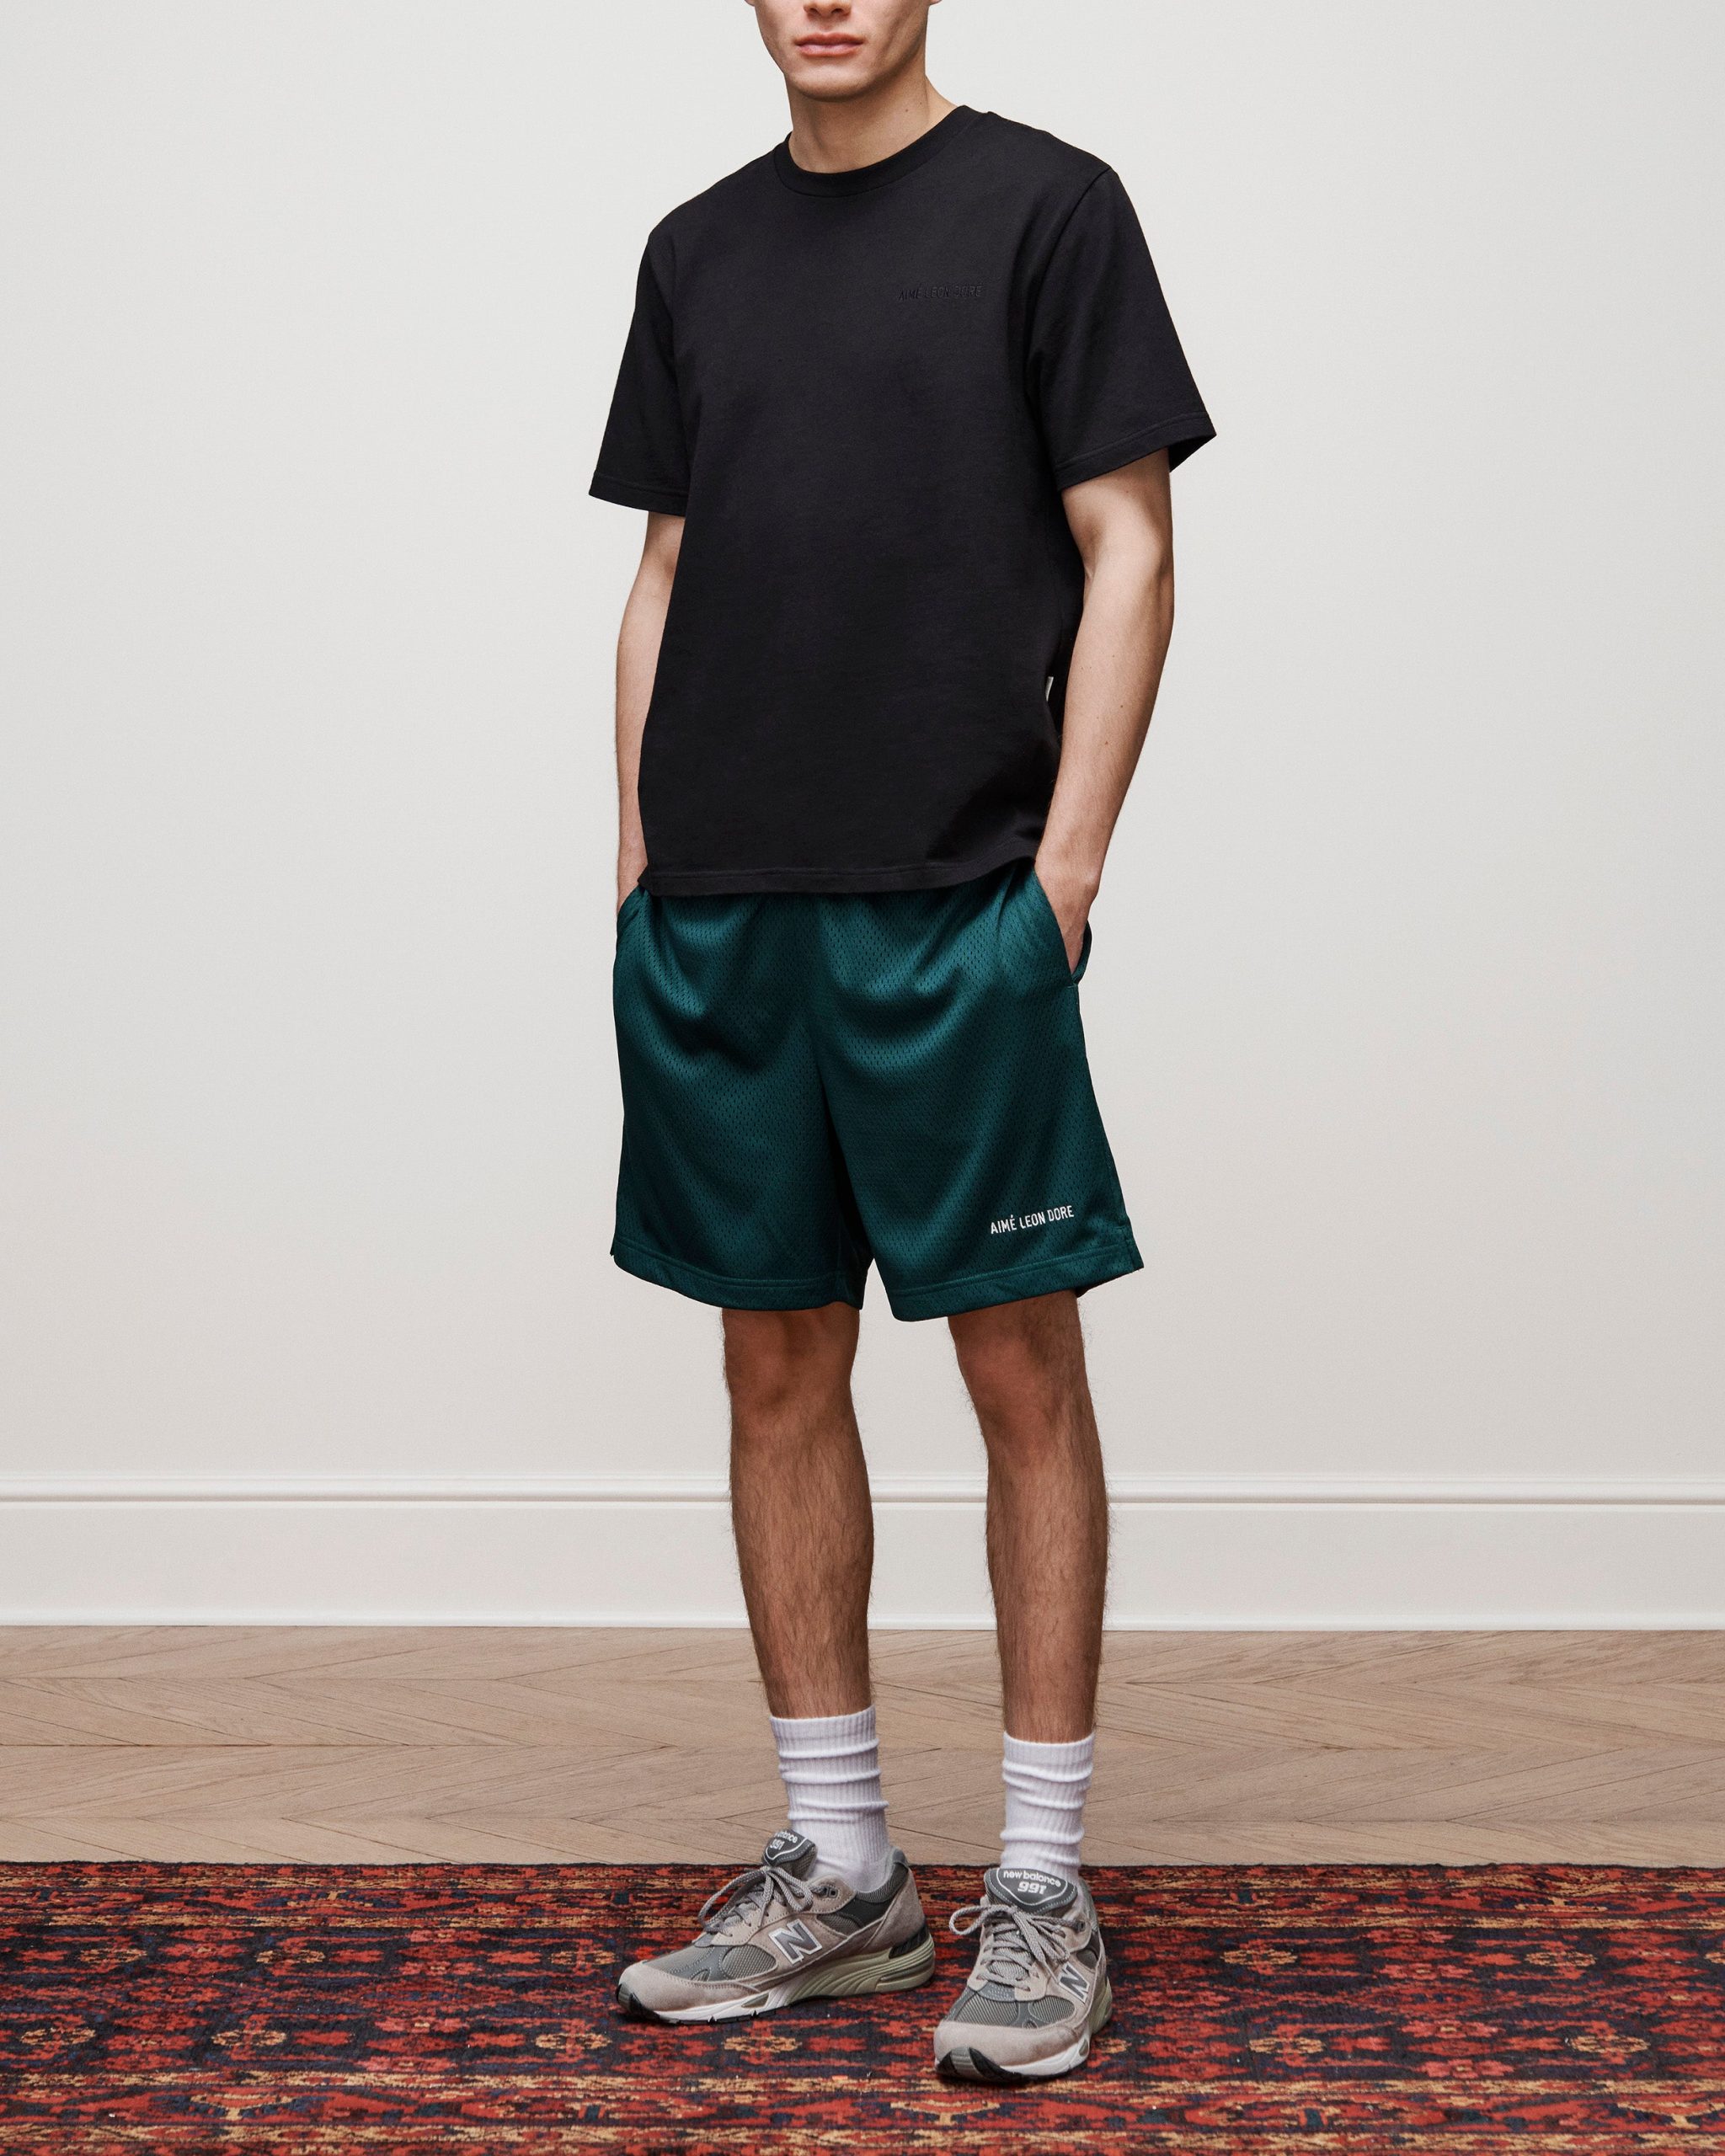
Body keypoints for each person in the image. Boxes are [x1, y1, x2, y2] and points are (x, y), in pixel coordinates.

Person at [590, 0, 1210, 2084]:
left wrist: (1066, 875)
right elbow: (667, 567)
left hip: (959, 899)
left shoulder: (1050, 209)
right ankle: (844, 1869)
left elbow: (1130, 541)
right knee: (773, 1365)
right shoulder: (695, 249)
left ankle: (1040, 1880)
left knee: (1018, 1361)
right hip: (721, 907)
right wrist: (636, 866)